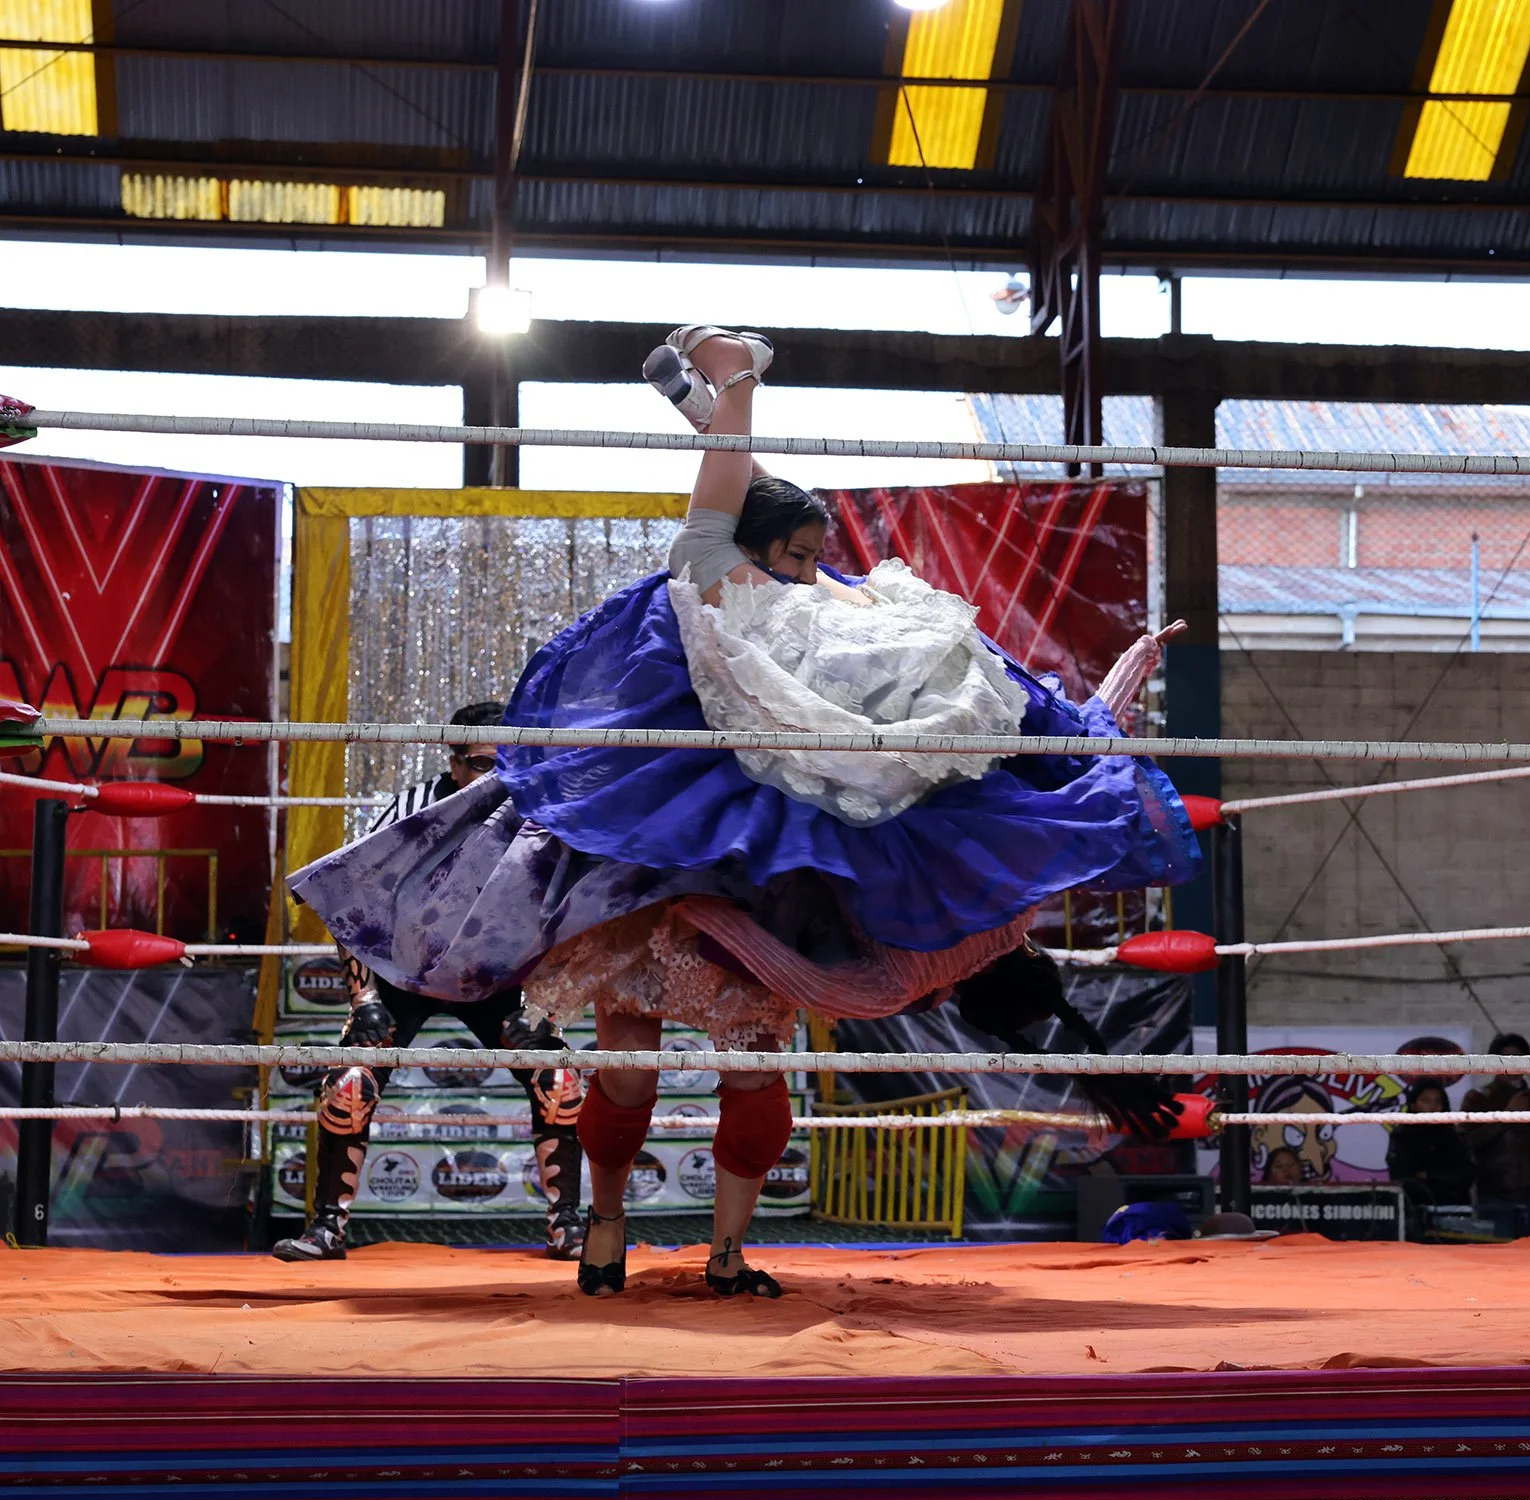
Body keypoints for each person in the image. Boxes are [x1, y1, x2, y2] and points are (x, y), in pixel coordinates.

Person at [289, 326, 1202, 1299]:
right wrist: (722, 391)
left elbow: (751, 509)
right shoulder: (736, 597)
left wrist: (725, 391)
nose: (812, 566)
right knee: (651, 1070)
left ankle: (659, 1243)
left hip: (734, 882)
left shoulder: (785, 603)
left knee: (705, 1071)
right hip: (703, 863)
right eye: (796, 554)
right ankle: (631, 1238)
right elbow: (737, 501)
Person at [273, 702, 586, 1264]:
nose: (494, 777)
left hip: (494, 972)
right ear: (454, 762)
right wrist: (364, 996)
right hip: (405, 969)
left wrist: (541, 1002)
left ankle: (569, 1228)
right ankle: (326, 1229)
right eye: (482, 763)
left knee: (560, 1078)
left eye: (506, 762)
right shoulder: (413, 808)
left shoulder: (537, 807)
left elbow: (566, 908)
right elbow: (350, 895)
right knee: (350, 1081)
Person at [1462, 1040, 1530, 1238]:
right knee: (1499, 1264)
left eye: (1518, 1057)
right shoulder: (1477, 1100)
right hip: (1495, 1197)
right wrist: (1505, 1118)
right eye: (1506, 1057)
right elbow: (1467, 1144)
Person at [1385, 1077, 1474, 1209]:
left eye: (1438, 1101)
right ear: (1414, 1105)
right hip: (1414, 1211)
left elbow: (1466, 1175)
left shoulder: (1454, 1136)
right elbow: (1403, 1176)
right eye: (1426, 1101)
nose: (1433, 1106)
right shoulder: (1402, 1136)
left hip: (1453, 1210)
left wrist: (1430, 1175)